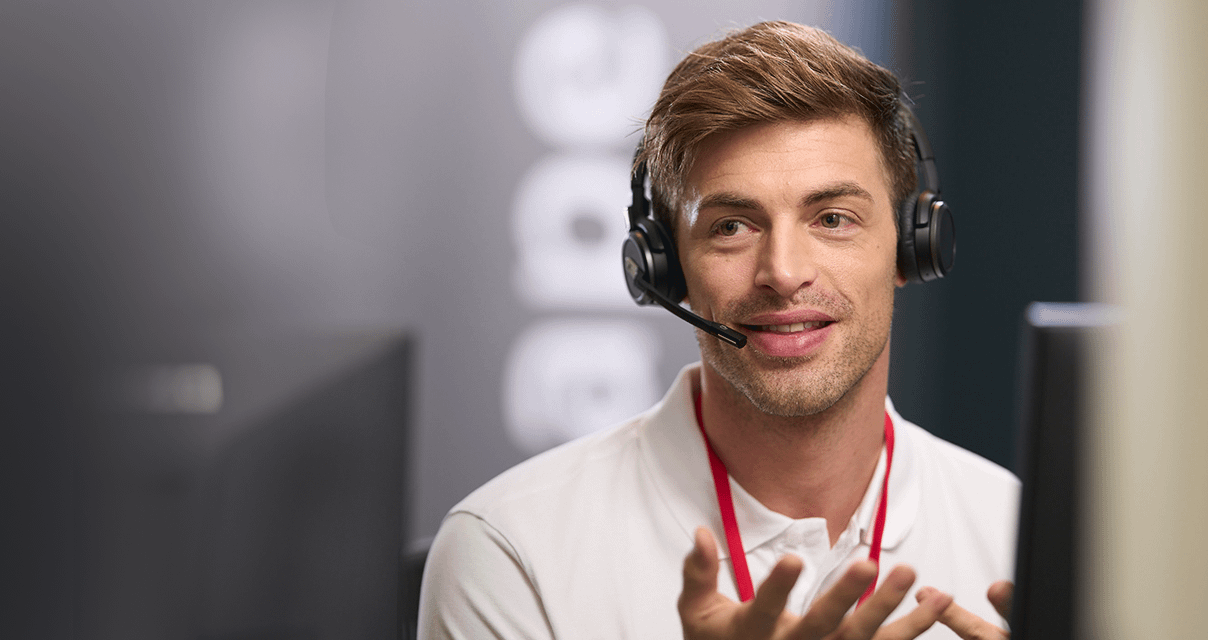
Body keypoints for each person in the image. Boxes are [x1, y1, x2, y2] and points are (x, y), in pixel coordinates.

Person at [417, 21, 1018, 639]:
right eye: (731, 226)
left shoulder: (1018, 536)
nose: (784, 273)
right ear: (666, 268)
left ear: (912, 248)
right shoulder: (511, 552)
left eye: (833, 219)